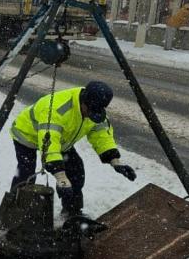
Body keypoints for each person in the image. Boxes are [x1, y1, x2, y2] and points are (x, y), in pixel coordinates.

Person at [10, 80, 136, 218]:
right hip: (27, 135)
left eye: (96, 112)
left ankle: (72, 212)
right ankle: (14, 212)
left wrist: (114, 160)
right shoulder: (58, 109)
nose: (90, 115)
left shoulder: (94, 109)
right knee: (26, 172)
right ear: (83, 102)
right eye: (89, 111)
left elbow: (101, 135)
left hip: (61, 140)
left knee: (76, 170)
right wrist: (61, 177)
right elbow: (50, 144)